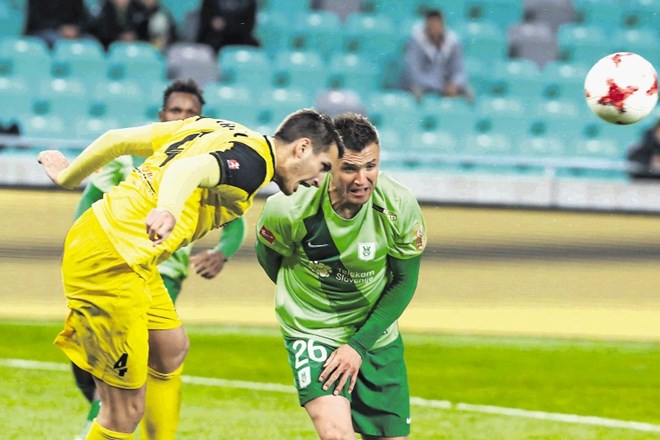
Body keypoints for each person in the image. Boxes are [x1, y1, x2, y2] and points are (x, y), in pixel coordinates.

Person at [37, 109, 343, 440]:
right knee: (124, 411)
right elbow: (189, 168)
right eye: (324, 167)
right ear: (301, 148)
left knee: (170, 349)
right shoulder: (254, 165)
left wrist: (67, 178)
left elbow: (117, 138)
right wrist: (166, 210)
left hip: (123, 250)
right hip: (111, 260)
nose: (319, 180)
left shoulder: (215, 127)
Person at [70, 78, 246, 440]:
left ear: (200, 119)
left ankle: (103, 427)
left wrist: (220, 253)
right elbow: (86, 207)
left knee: (139, 362)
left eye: (190, 113)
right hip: (111, 265)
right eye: (175, 110)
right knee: (135, 363)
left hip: (162, 274)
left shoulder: (204, 165)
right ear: (161, 114)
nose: (181, 116)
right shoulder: (123, 163)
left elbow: (234, 223)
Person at [255, 113, 426, 439]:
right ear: (329, 163)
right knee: (337, 434)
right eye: (350, 168)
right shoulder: (291, 206)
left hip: (374, 335)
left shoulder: (398, 205)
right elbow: (269, 257)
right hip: (313, 331)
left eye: (371, 166)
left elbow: (404, 281)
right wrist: (308, 305)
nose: (363, 179)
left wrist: (358, 345)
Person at [399, 9, 471, 102]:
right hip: (422, 87)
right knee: (416, 89)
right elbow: (413, 73)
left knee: (468, 92)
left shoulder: (453, 43)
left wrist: (454, 84)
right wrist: (440, 86)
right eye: (431, 26)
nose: (434, 29)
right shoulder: (415, 42)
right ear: (426, 26)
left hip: (446, 88)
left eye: (437, 25)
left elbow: (459, 71)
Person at [196, 0, 260, 53]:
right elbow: (205, 20)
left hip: (239, 39)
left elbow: (246, 25)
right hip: (214, 39)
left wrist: (225, 24)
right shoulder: (210, 2)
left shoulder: (248, 3)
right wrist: (212, 22)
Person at [24, 0, 91, 48]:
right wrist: (61, 29)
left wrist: (77, 29)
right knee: (57, 41)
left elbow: (83, 18)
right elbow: (35, 21)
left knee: (90, 42)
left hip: (71, 32)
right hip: (43, 30)